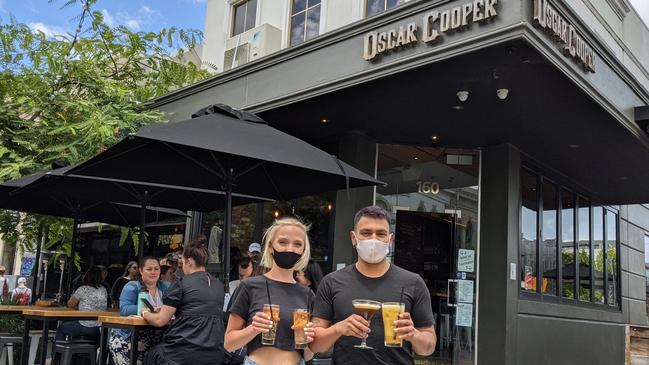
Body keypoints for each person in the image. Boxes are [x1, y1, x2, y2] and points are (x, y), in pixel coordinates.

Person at [310, 206, 437, 364]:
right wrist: (338, 328)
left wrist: (413, 335)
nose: (373, 239)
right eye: (366, 233)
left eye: (381, 234)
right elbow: (315, 345)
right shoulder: (331, 282)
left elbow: (428, 347)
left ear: (390, 240)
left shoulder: (413, 283)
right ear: (353, 237)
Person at [225, 217, 316, 365]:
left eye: (297, 244)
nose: (290, 249)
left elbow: (308, 355)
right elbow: (229, 343)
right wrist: (253, 329)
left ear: (303, 250)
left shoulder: (307, 294)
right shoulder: (249, 287)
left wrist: (308, 340)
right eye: (283, 242)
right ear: (270, 246)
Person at [142, 237, 226, 365]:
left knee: (151, 354)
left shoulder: (181, 282)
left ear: (190, 262)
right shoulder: (219, 286)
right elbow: (198, 310)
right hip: (214, 354)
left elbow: (160, 321)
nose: (182, 267)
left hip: (183, 353)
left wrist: (145, 313)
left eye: (183, 262)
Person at [109, 257, 169, 365]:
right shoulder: (132, 286)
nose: (153, 272)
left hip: (157, 337)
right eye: (149, 269)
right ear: (141, 271)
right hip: (130, 337)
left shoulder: (165, 287)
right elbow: (124, 309)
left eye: (156, 269)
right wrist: (150, 309)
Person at [55, 266, 107, 341]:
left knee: (61, 328)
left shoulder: (83, 289)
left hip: (85, 325)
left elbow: (70, 304)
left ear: (87, 276)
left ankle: (58, 352)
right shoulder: (103, 290)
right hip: (99, 328)